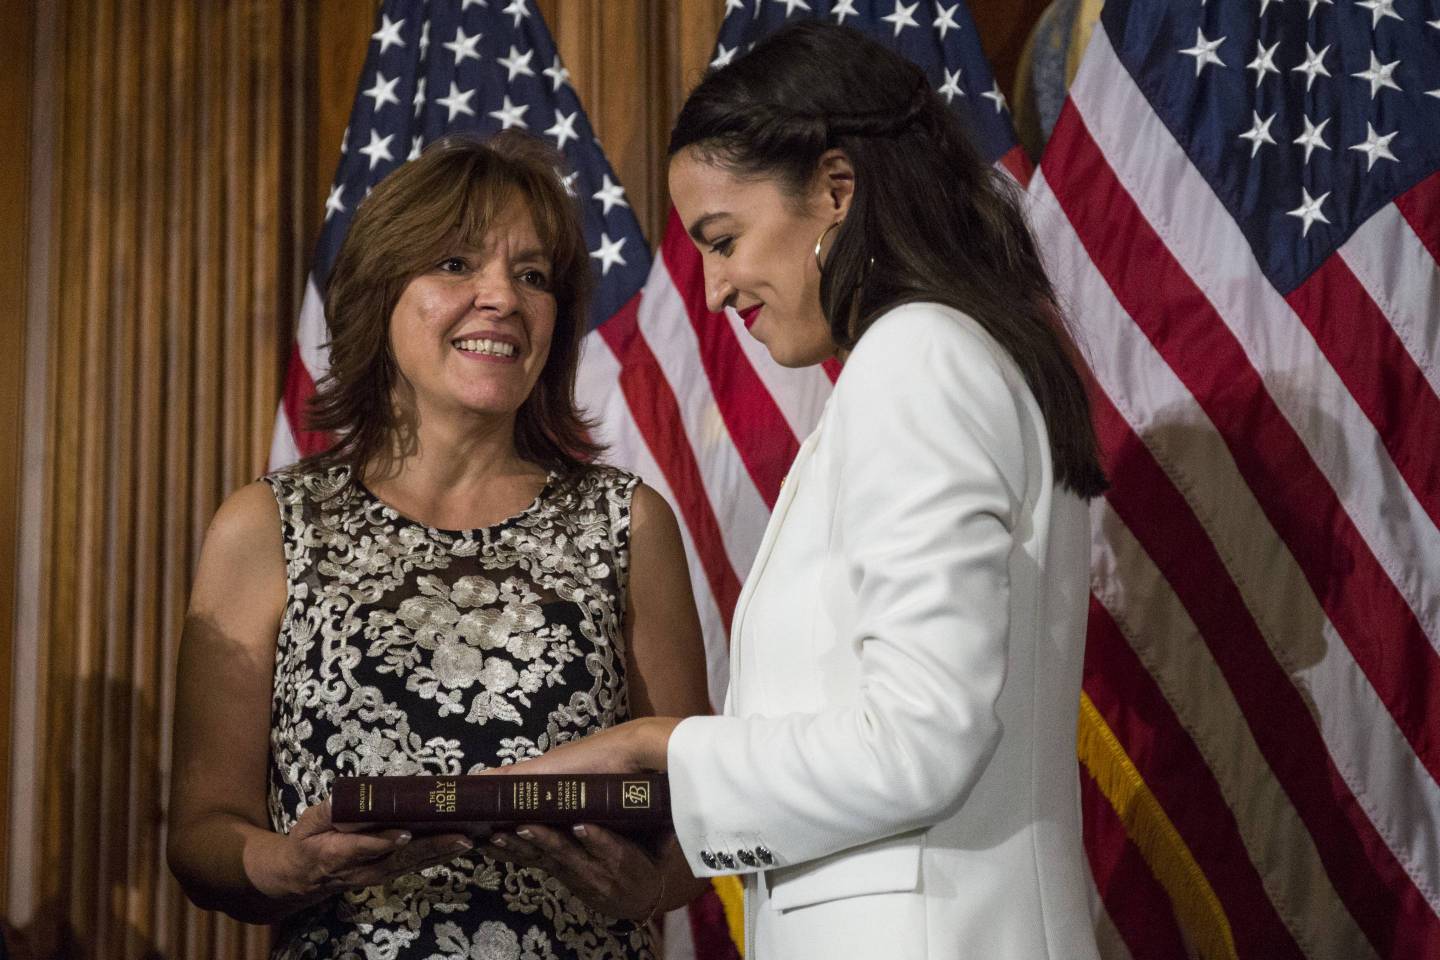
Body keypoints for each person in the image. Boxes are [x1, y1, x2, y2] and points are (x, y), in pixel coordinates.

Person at [483, 21, 1108, 960]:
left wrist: (662, 749)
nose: (716, 289)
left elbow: (919, 740)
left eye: (724, 239)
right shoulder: (939, 358)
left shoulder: (919, 358)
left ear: (835, 189)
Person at [166, 132, 711, 959]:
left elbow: (701, 805)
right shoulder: (267, 526)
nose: (501, 297)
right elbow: (202, 834)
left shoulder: (628, 523)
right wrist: (288, 863)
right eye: (456, 264)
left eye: (532, 276)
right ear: (380, 293)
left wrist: (656, 885)